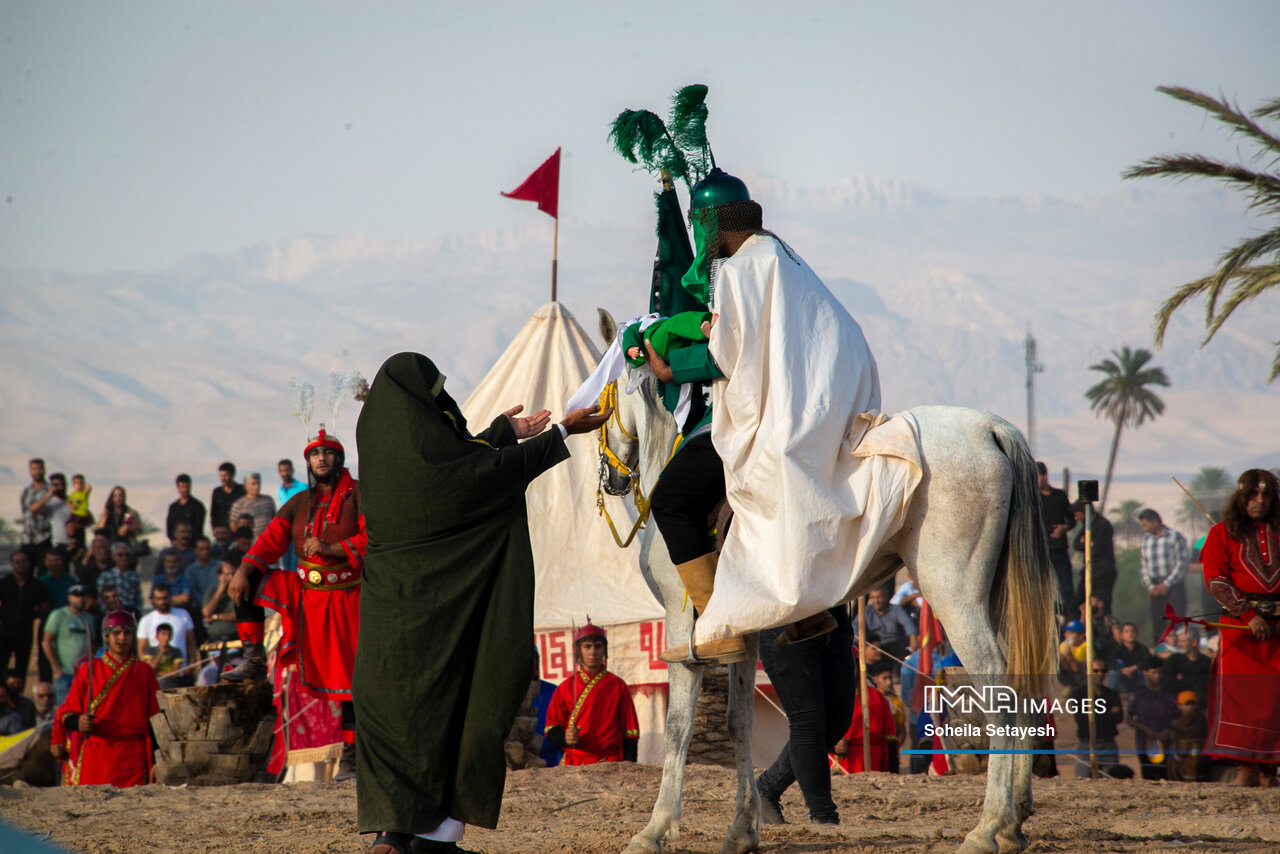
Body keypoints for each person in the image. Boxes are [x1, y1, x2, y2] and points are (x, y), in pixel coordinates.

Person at [353, 352, 609, 854]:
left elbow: (452, 470)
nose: (443, 402)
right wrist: (558, 436)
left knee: (400, 717)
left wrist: (501, 435)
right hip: (437, 607)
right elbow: (468, 482)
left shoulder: (383, 441)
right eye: (435, 392)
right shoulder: (422, 457)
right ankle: (427, 837)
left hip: (389, 611)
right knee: (456, 705)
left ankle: (394, 832)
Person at [658, 166, 886, 661]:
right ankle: (809, 615)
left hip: (782, 427)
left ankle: (718, 625)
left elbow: (725, 355)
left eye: (699, 224)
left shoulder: (742, 271)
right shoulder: (789, 260)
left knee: (672, 498)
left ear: (710, 222)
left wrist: (670, 368)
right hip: (830, 418)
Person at [225, 426, 367, 778]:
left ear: (340, 458)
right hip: (304, 595)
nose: (321, 459)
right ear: (308, 462)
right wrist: (243, 567)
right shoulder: (300, 502)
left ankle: (351, 758)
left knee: (351, 681)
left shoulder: (360, 495)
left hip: (348, 598)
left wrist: (333, 548)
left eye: (328, 453)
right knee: (249, 578)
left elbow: (375, 538)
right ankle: (253, 658)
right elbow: (271, 539)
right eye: (315, 455)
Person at [1199, 468, 1280, 787]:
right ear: (1241, 497)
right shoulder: (1222, 533)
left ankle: (1269, 771)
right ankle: (1245, 769)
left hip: (1277, 634)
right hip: (1240, 633)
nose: (1258, 501)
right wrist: (1249, 616)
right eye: (1252, 495)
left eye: (1265, 495)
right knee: (1243, 700)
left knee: (1275, 701)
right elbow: (1216, 580)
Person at [754, 605, 855, 825]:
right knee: (807, 723)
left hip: (835, 622)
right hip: (786, 624)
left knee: (838, 721)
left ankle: (764, 789)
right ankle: (823, 814)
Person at [57, 608, 160, 787]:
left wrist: (158, 759)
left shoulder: (144, 672)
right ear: (106, 636)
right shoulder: (88, 670)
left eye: (127, 633)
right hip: (97, 753)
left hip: (133, 755)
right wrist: (78, 722)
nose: (122, 638)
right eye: (116, 633)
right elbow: (66, 714)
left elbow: (157, 721)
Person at [544, 622, 639, 766]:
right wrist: (564, 737)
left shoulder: (618, 685)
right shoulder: (565, 688)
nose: (593, 652)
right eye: (587, 646)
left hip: (609, 762)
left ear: (604, 650)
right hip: (574, 762)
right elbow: (551, 729)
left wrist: (628, 768)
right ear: (579, 650)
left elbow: (630, 734)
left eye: (598, 646)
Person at [1139, 509, 1189, 645]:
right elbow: (1143, 566)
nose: (1144, 528)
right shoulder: (1146, 540)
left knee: (1176, 621)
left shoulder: (1174, 536)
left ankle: (1178, 651)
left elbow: (1182, 563)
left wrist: (1166, 584)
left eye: (1146, 525)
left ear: (1155, 522)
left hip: (1173, 585)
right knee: (1158, 622)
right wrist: (1150, 586)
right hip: (1155, 587)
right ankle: (1160, 650)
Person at [0, 551, 50, 686]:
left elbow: (44, 607)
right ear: (12, 564)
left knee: (21, 669)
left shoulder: (36, 585)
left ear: (28, 564)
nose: (20, 565)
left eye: (23, 561)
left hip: (25, 633)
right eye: (17, 562)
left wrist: (33, 614)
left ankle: (18, 699)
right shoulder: (4, 583)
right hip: (5, 632)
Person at [1067, 658, 1124, 778]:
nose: (1100, 674)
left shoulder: (1112, 694)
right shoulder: (1079, 694)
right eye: (1095, 670)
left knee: (1112, 781)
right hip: (1087, 745)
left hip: (1108, 745)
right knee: (1082, 781)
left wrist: (1094, 713)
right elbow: (1082, 720)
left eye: (1103, 670)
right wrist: (1108, 713)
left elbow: (1119, 717)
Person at [833, 668, 895, 774]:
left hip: (872, 757)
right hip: (841, 759)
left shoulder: (877, 697)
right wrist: (832, 746)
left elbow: (890, 737)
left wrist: (893, 768)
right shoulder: (829, 695)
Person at [41, 583, 94, 704]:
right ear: (69, 597)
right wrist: (55, 666)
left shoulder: (89, 618)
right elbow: (46, 641)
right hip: (65, 673)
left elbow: (92, 644)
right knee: (65, 711)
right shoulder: (59, 615)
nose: (80, 598)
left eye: (83, 595)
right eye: (76, 595)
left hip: (85, 674)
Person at [1125, 657, 1176, 780]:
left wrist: (1168, 730)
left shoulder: (1169, 694)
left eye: (1159, 673)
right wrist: (1145, 729)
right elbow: (1128, 718)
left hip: (1166, 743)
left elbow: (1178, 716)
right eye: (1153, 673)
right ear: (1145, 673)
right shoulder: (1138, 694)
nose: (1157, 676)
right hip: (1145, 742)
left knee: (1167, 777)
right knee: (1149, 777)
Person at [1037, 462, 1075, 615]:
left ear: (1045, 476)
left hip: (1058, 548)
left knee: (1066, 587)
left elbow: (1071, 519)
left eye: (1037, 476)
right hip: (1040, 551)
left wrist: (1064, 528)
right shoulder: (1033, 498)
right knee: (1041, 587)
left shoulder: (1059, 496)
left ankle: (1070, 617)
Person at [1071, 500, 1117, 614]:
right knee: (1078, 601)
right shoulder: (1087, 526)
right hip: (1089, 569)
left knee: (1101, 605)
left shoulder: (1103, 525)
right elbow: (1076, 544)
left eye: (1078, 515)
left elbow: (1097, 549)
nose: (1076, 518)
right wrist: (1089, 543)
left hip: (1103, 571)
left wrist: (1086, 543)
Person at [136, 582, 196, 665]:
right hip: (156, 674)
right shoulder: (146, 620)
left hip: (180, 671)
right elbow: (142, 649)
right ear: (153, 600)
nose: (162, 602)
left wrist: (192, 663)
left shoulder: (183, 615)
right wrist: (149, 669)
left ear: (170, 597)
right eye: (159, 599)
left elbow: (191, 642)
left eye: (165, 598)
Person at [853, 587, 918, 664]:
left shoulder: (896, 609)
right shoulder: (867, 611)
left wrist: (913, 638)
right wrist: (859, 642)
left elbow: (908, 624)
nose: (876, 601)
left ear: (886, 597)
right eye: (873, 598)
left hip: (896, 645)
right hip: (877, 646)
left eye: (879, 597)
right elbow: (855, 626)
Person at [1162, 626, 1211, 706]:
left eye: (1182, 641)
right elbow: (1168, 685)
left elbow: (1208, 686)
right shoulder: (1174, 660)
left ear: (1194, 642)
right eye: (1178, 641)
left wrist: (1183, 679)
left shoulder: (1206, 661)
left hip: (1202, 705)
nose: (1178, 644)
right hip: (1180, 705)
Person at [1168, 689, 1210, 782]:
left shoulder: (1202, 721)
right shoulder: (1177, 722)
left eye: (1193, 704)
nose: (1190, 707)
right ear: (1179, 705)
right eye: (1187, 704)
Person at [19, 458, 53, 567]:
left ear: (44, 470)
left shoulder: (50, 490)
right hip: (27, 538)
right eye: (34, 469)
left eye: (40, 469)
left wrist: (46, 498)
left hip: (43, 538)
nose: (37, 472)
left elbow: (38, 509)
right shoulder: (27, 491)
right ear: (30, 471)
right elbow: (26, 511)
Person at [276, 459, 307, 573]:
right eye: (283, 471)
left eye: (287, 470)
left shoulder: (303, 487)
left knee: (297, 564)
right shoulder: (280, 491)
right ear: (279, 473)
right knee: (286, 565)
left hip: (299, 530)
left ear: (292, 470)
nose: (285, 473)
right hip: (285, 531)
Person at [97, 541, 142, 616]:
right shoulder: (105, 576)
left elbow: (138, 599)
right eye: (120, 555)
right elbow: (101, 600)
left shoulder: (134, 576)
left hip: (130, 614)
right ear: (113, 557)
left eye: (127, 555)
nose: (124, 558)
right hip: (111, 614)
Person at [1105, 622, 1150, 695]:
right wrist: (1121, 669)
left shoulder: (1142, 648)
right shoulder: (1118, 649)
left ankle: (1148, 694)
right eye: (1126, 631)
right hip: (1123, 676)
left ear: (1137, 635)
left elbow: (1148, 660)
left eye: (1132, 631)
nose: (1130, 634)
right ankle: (1109, 694)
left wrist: (1134, 667)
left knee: (1147, 670)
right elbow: (1111, 661)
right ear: (1122, 635)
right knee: (1115, 667)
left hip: (1137, 675)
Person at [229, 473, 276, 541]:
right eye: (253, 484)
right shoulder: (239, 504)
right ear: (246, 486)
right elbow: (233, 525)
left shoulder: (268, 500)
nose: (256, 486)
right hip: (251, 541)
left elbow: (274, 518)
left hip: (268, 539)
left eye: (258, 484)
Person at [142, 623, 187, 688]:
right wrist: (160, 653)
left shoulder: (176, 652)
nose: (166, 637)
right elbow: (150, 670)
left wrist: (157, 674)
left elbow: (175, 673)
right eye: (164, 634)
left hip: (171, 687)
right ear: (157, 636)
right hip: (154, 687)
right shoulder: (150, 651)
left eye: (169, 635)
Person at [166, 474, 207, 542]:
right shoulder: (173, 507)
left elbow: (198, 528)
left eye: (187, 487)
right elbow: (169, 527)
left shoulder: (198, 506)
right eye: (182, 487)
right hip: (176, 544)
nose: (185, 489)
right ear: (178, 487)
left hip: (192, 545)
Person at [209, 462, 246, 533]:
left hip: (237, 530)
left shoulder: (242, 490)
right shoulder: (217, 492)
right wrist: (214, 529)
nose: (223, 478)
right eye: (221, 475)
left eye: (226, 475)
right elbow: (213, 513)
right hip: (222, 531)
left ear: (232, 475)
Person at [0, 670, 38, 735]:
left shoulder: (28, 704)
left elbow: (33, 727)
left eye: (19, 683)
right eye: (12, 684)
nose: (16, 686)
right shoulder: (2, 704)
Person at [1057, 619, 1088, 688]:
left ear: (1080, 635)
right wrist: (1063, 658)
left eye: (1071, 633)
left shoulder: (1086, 646)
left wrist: (1069, 655)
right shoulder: (1064, 644)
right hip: (1068, 676)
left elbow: (1076, 669)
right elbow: (1066, 667)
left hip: (1082, 677)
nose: (1067, 635)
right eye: (1066, 632)